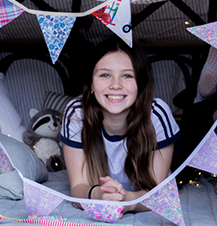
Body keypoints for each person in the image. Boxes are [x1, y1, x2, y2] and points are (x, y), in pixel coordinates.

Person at [59, 37, 180, 214]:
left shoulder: (157, 114)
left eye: (127, 75)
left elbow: (156, 196)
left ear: (140, 83)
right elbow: (78, 187)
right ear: (91, 83)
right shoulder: (76, 113)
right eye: (105, 75)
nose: (116, 85)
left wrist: (125, 201)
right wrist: (99, 195)